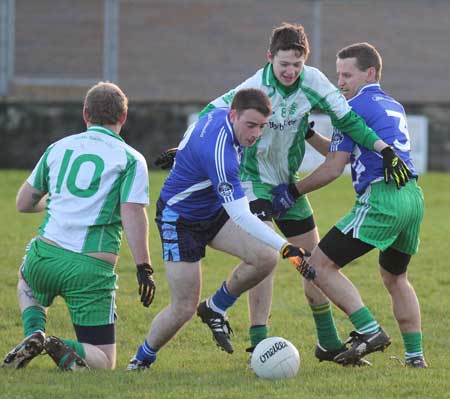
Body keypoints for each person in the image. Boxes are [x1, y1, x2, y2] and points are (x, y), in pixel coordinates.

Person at [156, 22, 407, 363]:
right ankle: (258, 343)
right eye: (283, 64)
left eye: (297, 64)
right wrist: (184, 148)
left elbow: (349, 122)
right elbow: (210, 114)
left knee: (313, 261)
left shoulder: (315, 82)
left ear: (306, 61)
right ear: (269, 57)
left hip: (288, 183)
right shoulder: (254, 87)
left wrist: (384, 149)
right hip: (251, 180)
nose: (290, 71)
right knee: (265, 255)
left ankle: (327, 343)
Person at [126, 88, 314, 370]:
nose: (255, 134)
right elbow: (241, 214)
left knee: (265, 257)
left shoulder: (216, 115)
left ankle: (215, 306)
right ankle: (141, 360)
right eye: (250, 125)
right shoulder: (221, 154)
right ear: (234, 115)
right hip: (179, 220)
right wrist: (286, 246)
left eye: (262, 127)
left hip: (213, 210)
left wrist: (184, 154)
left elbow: (193, 135)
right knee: (183, 308)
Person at [271, 42, 426, 368]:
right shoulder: (391, 104)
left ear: (369, 73)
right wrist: (311, 133)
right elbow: (348, 151)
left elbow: (332, 167)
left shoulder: (351, 109)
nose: (339, 82)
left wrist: (292, 191)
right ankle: (415, 358)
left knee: (318, 267)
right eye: (337, 74)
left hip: (383, 199)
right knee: (396, 278)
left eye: (347, 74)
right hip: (412, 196)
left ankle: (370, 331)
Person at [2, 81, 156, 371]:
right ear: (123, 117)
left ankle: (33, 331)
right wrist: (143, 268)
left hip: (44, 259)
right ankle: (52, 344)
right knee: (103, 360)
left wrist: (58, 201)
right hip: (90, 270)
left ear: (85, 114)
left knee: (27, 280)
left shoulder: (58, 147)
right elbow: (133, 212)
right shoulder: (131, 159)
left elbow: (23, 203)